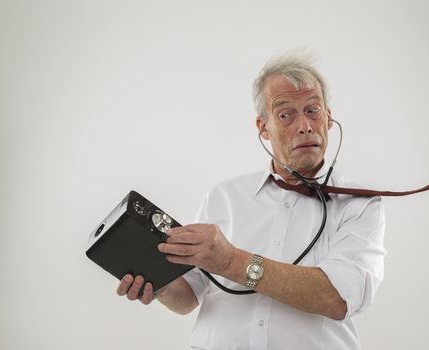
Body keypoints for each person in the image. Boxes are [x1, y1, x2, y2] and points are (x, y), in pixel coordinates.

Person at [117, 52, 386, 349]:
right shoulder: (224, 196)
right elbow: (188, 297)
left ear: (329, 119)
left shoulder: (361, 204)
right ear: (263, 127)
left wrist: (232, 261)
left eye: (313, 110)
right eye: (286, 114)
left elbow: (337, 297)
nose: (304, 126)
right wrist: (155, 281)